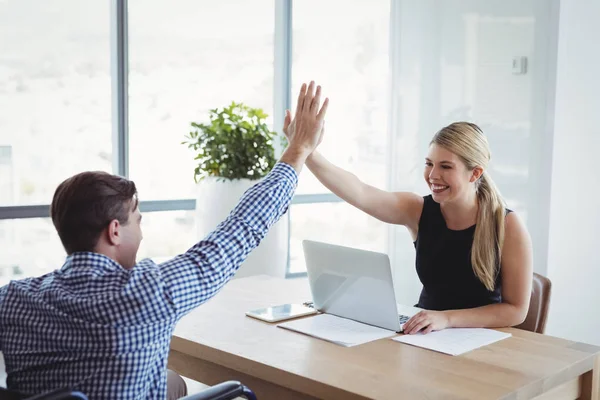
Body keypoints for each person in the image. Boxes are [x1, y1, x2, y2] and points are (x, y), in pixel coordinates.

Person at [0, 81, 328, 399]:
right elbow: (238, 232)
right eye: (137, 221)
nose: (141, 232)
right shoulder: (148, 292)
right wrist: (298, 149)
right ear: (114, 231)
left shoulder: (12, 299)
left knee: (172, 381)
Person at [282, 118, 533, 335]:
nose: (433, 175)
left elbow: (515, 310)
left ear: (475, 173)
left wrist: (446, 319)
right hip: (425, 334)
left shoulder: (507, 225)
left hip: (479, 341)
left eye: (445, 166)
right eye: (429, 163)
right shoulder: (418, 210)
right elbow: (361, 192)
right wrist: (306, 150)